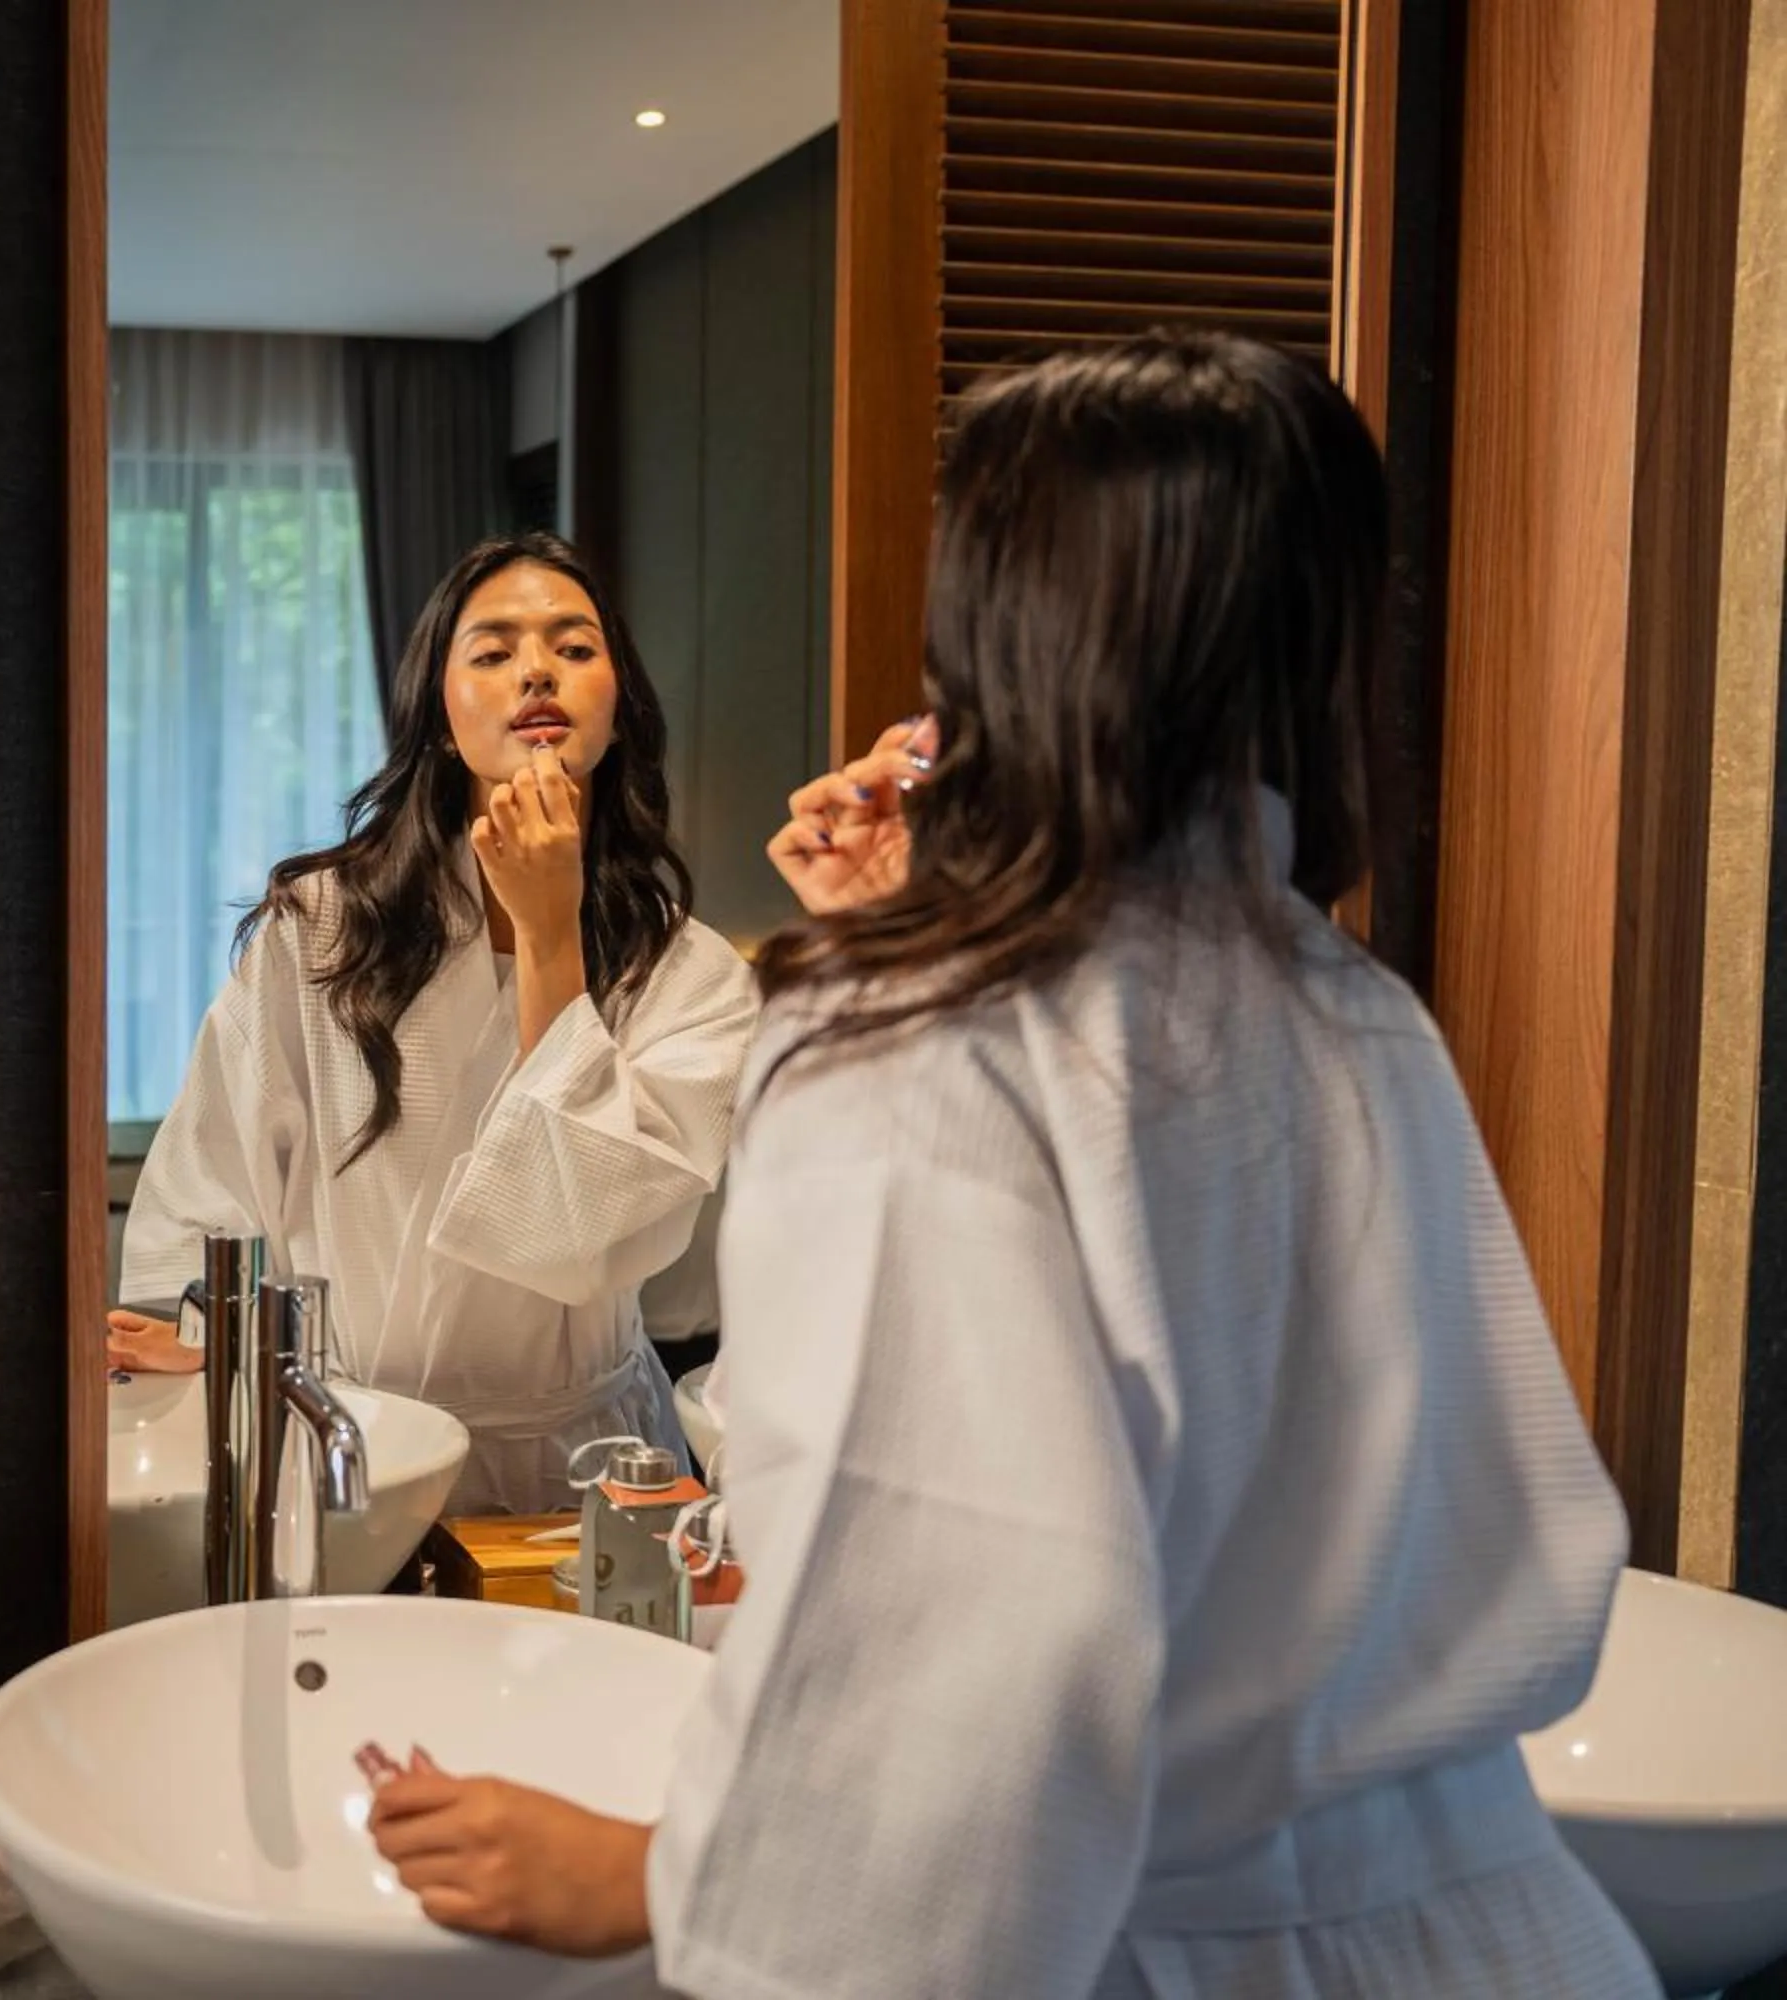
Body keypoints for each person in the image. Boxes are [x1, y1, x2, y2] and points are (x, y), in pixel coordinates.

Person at [367, 334, 1653, 1996]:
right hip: (1501, 1936)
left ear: (1007, 626)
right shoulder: (1353, 1012)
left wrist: (665, 1876)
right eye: (495, 646)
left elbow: (971, 1655)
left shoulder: (893, 1036)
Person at [110, 531, 759, 1514]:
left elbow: (567, 1230)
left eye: (575, 648)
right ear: (440, 716)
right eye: (493, 651)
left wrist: (550, 934)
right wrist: (209, 1333)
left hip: (579, 1471)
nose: (537, 668)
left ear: (617, 707)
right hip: (352, 1444)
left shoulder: (691, 974)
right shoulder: (323, 931)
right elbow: (214, 1179)